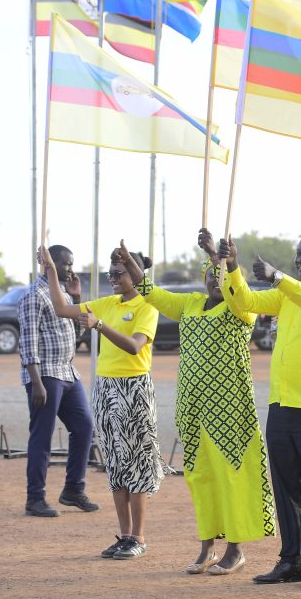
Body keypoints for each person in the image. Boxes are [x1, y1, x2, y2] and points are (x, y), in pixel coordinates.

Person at [122, 231, 274, 576]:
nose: (214, 279)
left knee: (230, 476)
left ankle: (235, 549)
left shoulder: (240, 307)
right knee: (200, 476)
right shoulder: (190, 303)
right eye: (210, 272)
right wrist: (131, 263)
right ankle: (207, 545)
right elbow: (153, 294)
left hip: (229, 407)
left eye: (219, 273)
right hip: (193, 407)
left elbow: (239, 293)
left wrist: (221, 258)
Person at [218, 233, 301, 590]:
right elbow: (243, 301)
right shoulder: (287, 293)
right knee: (287, 488)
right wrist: (233, 267)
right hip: (282, 404)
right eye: (299, 254)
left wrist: (280, 278)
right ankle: (290, 560)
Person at [39, 245, 162, 560]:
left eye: (119, 273)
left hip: (133, 389)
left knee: (136, 466)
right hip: (106, 388)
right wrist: (51, 270)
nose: (113, 279)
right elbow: (61, 309)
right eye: (110, 274)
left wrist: (100, 326)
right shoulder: (107, 303)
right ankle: (124, 536)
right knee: (117, 466)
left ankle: (139, 536)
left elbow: (135, 347)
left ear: (136, 274)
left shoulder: (148, 305)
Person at [18, 244, 99, 518]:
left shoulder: (62, 294)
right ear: (49, 264)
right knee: (42, 435)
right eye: (65, 264)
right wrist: (36, 381)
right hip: (46, 375)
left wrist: (76, 297)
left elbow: (74, 334)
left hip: (67, 372)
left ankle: (73, 490)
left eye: (71, 263)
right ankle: (35, 498)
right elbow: (27, 341)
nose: (71, 269)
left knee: (85, 426)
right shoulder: (34, 296)